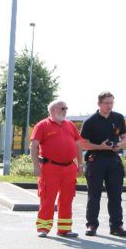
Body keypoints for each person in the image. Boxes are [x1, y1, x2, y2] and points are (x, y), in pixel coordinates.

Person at [30, 99, 84, 238]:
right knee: (47, 198)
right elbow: (34, 146)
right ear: (53, 110)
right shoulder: (42, 125)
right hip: (49, 168)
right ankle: (43, 228)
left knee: (67, 198)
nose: (65, 111)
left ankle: (65, 229)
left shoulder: (70, 125)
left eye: (66, 108)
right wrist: (36, 166)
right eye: (62, 108)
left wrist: (80, 165)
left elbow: (78, 146)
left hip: (69, 168)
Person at [80, 92, 126, 237]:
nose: (109, 105)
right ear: (99, 104)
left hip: (113, 159)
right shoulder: (90, 121)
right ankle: (92, 225)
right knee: (94, 194)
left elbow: (124, 137)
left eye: (111, 102)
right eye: (106, 103)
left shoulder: (118, 117)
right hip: (96, 160)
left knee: (115, 195)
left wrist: (119, 144)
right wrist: (101, 146)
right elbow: (83, 144)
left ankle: (116, 226)